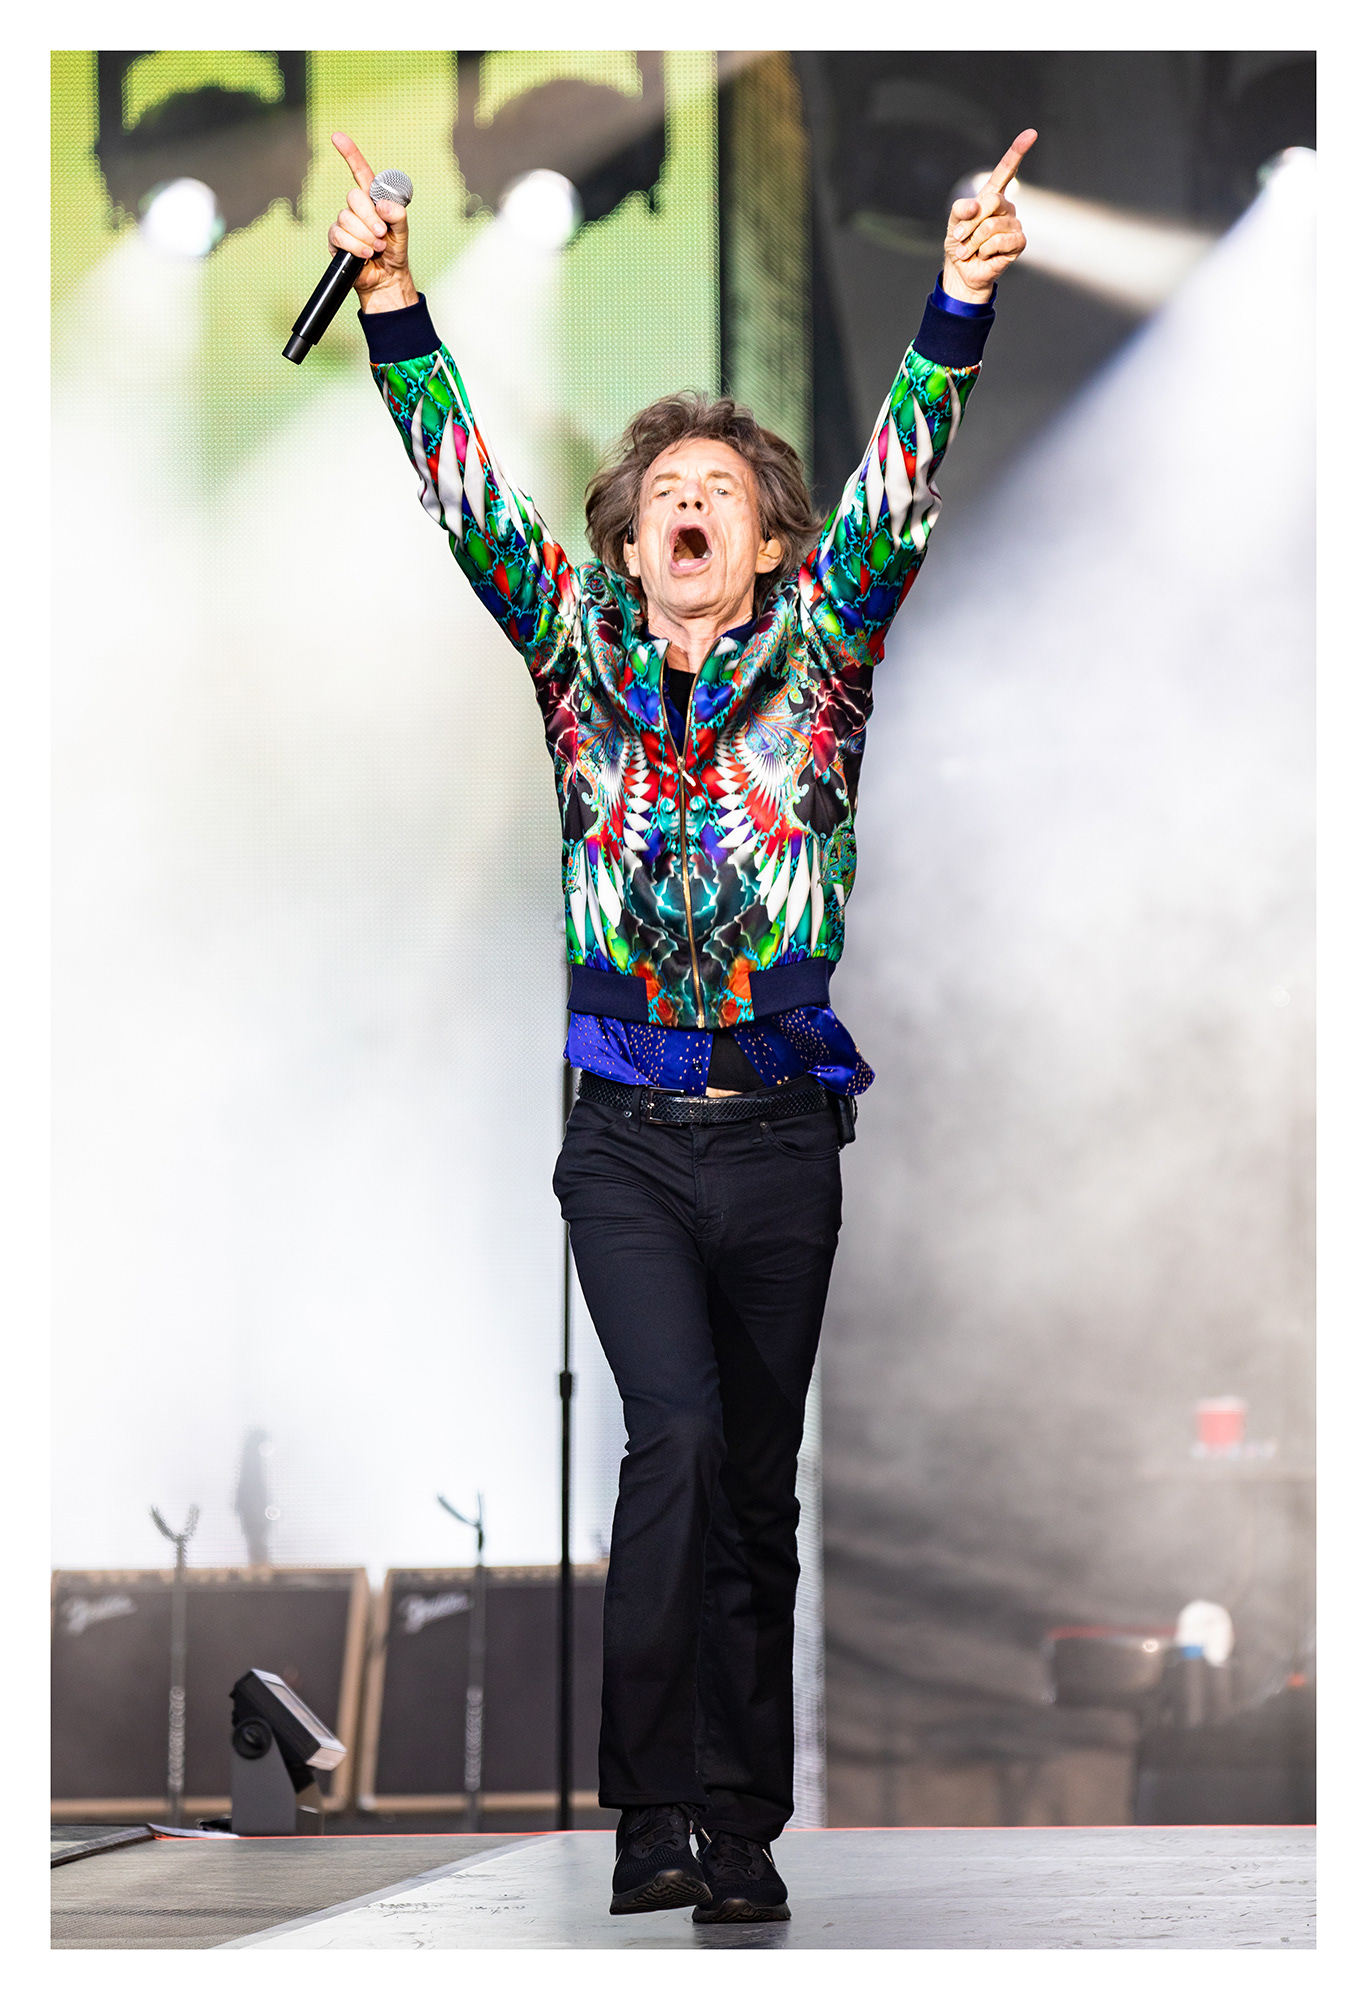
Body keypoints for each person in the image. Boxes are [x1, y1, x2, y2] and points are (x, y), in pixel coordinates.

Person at [329, 120, 1034, 1921]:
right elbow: (468, 497)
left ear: (767, 541)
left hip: (782, 1137)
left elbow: (898, 489)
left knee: (758, 1491)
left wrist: (956, 301)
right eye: (665, 491)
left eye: (721, 487)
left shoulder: (829, 649)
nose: (691, 503)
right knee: (678, 1439)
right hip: (628, 1144)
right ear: (634, 543)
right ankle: (652, 1807)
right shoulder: (576, 658)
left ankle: (738, 1828)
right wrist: (394, 300)